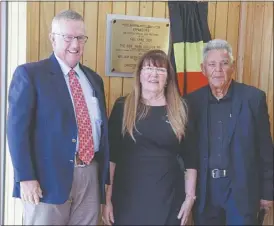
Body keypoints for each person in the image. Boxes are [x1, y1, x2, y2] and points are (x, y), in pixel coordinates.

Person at [7, 10, 110, 225]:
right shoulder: (31, 75)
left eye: (80, 37)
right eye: (68, 37)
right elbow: (17, 130)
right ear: (52, 38)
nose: (75, 44)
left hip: (90, 175)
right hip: (46, 179)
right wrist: (25, 177)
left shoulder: (94, 80)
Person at [102, 49, 197, 225]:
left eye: (161, 70)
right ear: (139, 74)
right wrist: (106, 200)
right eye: (148, 68)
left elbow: (191, 158)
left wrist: (189, 198)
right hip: (127, 196)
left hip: (169, 195)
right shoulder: (123, 106)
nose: (154, 74)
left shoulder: (182, 108)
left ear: (168, 78)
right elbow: (111, 157)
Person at [185, 39, 273, 225]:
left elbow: (265, 149)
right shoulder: (191, 102)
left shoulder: (253, 99)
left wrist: (267, 191)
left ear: (232, 67)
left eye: (224, 63)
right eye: (212, 64)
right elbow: (187, 151)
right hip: (206, 191)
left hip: (242, 190)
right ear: (203, 69)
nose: (218, 69)